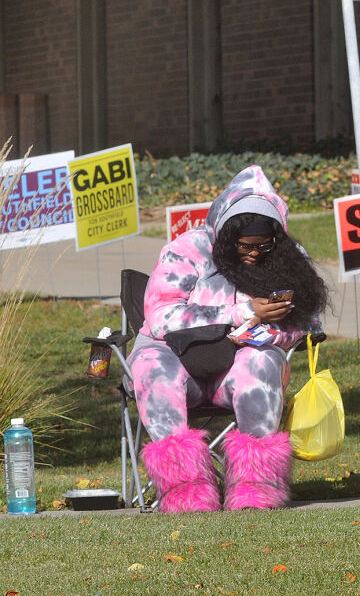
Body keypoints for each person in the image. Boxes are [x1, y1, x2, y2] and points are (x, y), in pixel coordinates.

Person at [130, 165, 328, 512]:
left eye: (264, 247)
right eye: (244, 247)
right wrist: (244, 313)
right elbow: (161, 317)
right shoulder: (188, 249)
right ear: (225, 237)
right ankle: (185, 490)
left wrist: (264, 330)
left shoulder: (287, 255)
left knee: (262, 361)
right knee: (150, 366)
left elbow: (307, 322)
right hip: (176, 360)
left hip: (235, 367)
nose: (253, 254)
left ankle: (256, 489)